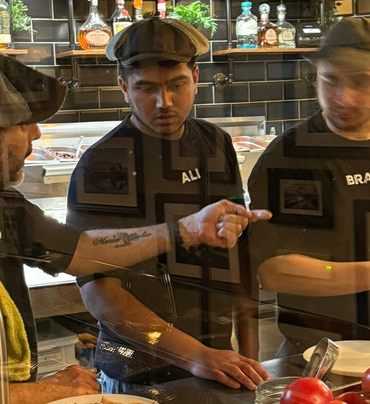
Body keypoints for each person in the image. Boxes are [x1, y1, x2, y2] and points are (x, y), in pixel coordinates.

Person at [0, 49, 264, 403]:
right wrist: (39, 391)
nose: (36, 135)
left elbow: (83, 251)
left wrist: (185, 230)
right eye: (25, 125)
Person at [66, 17, 271, 393]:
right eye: (146, 88)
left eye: (177, 84)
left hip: (218, 365)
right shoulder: (103, 164)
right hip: (138, 376)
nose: (165, 102)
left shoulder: (215, 144)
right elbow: (98, 291)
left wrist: (249, 359)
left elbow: (240, 258)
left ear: (196, 77)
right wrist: (195, 355)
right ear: (124, 87)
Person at [248, 17, 370, 355]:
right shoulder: (290, 156)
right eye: (331, 81)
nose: (344, 97)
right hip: (321, 354)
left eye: (361, 81)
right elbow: (274, 271)